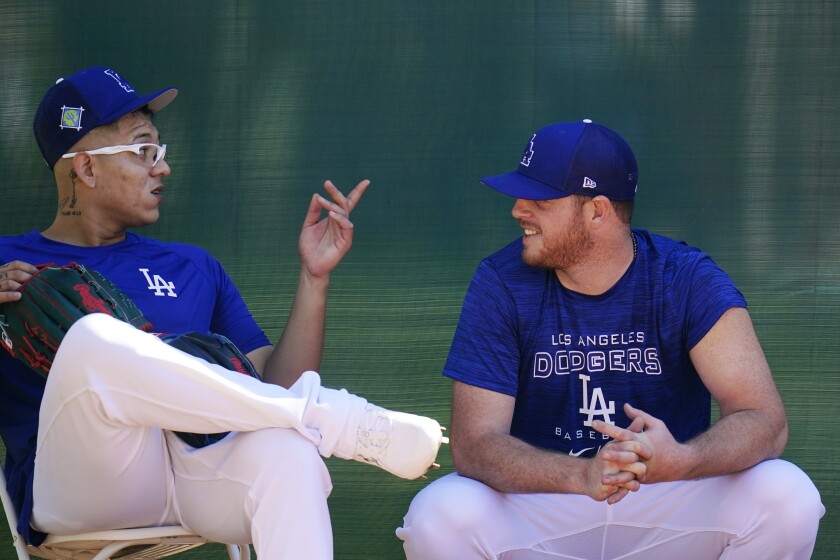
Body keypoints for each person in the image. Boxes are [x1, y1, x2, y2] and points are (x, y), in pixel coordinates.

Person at [0, 66, 445, 560]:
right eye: (145, 150)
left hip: (196, 473)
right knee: (94, 337)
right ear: (86, 169)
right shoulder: (5, 264)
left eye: (161, 151)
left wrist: (313, 278)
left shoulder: (191, 265)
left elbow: (268, 383)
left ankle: (310, 421)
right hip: (82, 486)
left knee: (289, 454)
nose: (162, 167)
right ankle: (322, 417)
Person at [397, 120, 825, 559]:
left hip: (665, 498)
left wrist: (683, 459)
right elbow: (475, 444)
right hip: (548, 503)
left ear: (597, 211)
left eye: (539, 198)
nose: (518, 209)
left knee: (787, 497)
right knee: (440, 516)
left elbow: (764, 420)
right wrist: (581, 475)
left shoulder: (685, 276)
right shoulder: (501, 281)